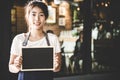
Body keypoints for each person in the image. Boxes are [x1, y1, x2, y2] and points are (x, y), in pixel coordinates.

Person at [8, 0, 61, 80]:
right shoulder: (19, 39)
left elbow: (57, 68)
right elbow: (10, 67)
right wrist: (16, 66)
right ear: (27, 16)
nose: (37, 19)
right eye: (33, 14)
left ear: (45, 18)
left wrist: (56, 66)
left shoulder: (53, 39)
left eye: (41, 15)